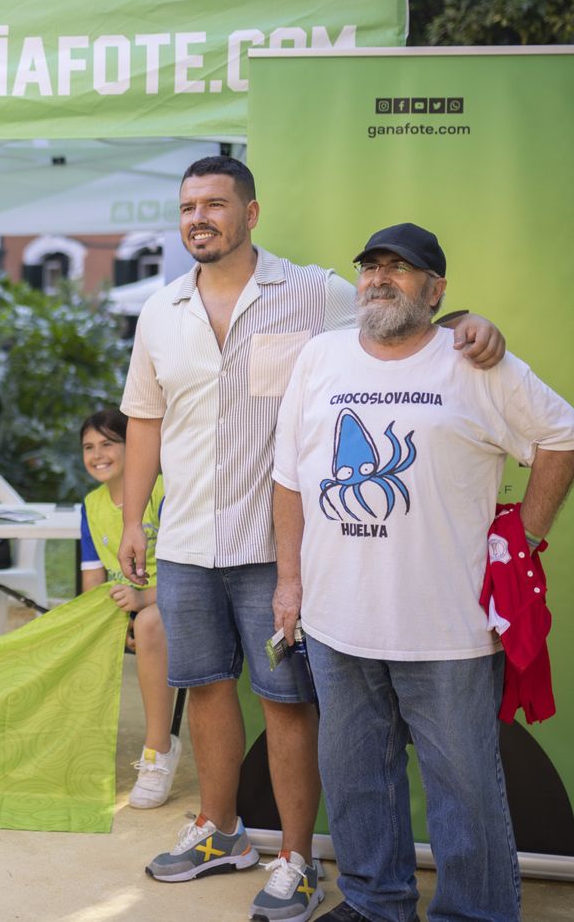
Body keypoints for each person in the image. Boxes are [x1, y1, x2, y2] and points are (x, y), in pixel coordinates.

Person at [116, 157, 505, 922]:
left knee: (288, 700)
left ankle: (298, 860)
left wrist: (470, 324)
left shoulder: (313, 292)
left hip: (277, 545)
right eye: (189, 206)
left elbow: (399, 315)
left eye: (215, 204)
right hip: (187, 538)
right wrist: (135, 518)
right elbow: (144, 418)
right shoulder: (160, 309)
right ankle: (221, 830)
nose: (199, 217)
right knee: (206, 686)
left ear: (251, 213)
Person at [271, 223, 574, 922]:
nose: (379, 278)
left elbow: (564, 435)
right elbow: (289, 479)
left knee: (465, 789)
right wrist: (289, 583)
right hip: (336, 622)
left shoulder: (473, 361)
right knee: (356, 778)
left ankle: (475, 912)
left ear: (436, 289)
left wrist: (525, 536)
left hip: (448, 629)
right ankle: (374, 902)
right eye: (371, 267)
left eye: (400, 268)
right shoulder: (321, 356)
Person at [78, 408, 179, 808]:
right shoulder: (90, 505)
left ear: (132, 446)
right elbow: (92, 582)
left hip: (170, 597)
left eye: (107, 444)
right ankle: (76, 745)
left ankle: (158, 749)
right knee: (72, 633)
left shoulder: (164, 491)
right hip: (123, 605)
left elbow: (185, 571)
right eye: (88, 447)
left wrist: (141, 601)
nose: (97, 454)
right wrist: (110, 621)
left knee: (151, 623)